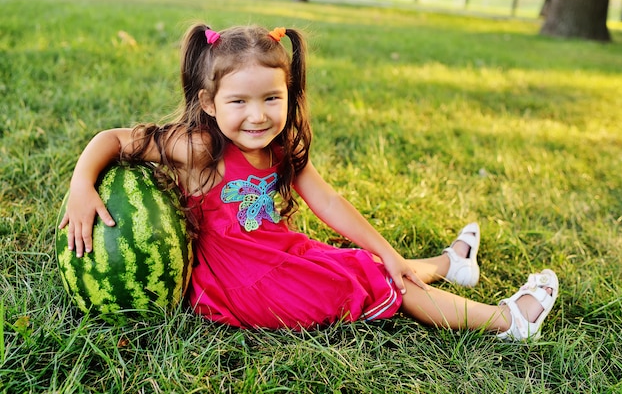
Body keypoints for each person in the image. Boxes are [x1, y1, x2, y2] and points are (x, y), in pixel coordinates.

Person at [59, 23, 558, 341]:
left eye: (271, 99)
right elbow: (112, 139)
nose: (257, 116)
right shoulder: (200, 146)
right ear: (209, 103)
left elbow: (331, 204)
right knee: (375, 278)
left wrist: (387, 248)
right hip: (244, 285)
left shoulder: (280, 150)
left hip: (274, 255)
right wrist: (83, 185)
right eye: (238, 102)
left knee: (367, 261)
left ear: (288, 93)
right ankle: (510, 321)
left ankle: (452, 264)